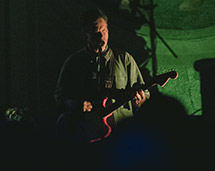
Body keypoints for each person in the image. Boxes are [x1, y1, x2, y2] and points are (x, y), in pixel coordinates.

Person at [54, 9, 147, 141]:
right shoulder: (74, 62)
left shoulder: (124, 59)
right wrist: (76, 105)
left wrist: (141, 101)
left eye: (103, 30)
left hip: (121, 133)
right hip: (87, 135)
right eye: (95, 32)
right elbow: (60, 96)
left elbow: (144, 93)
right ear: (84, 35)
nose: (101, 36)